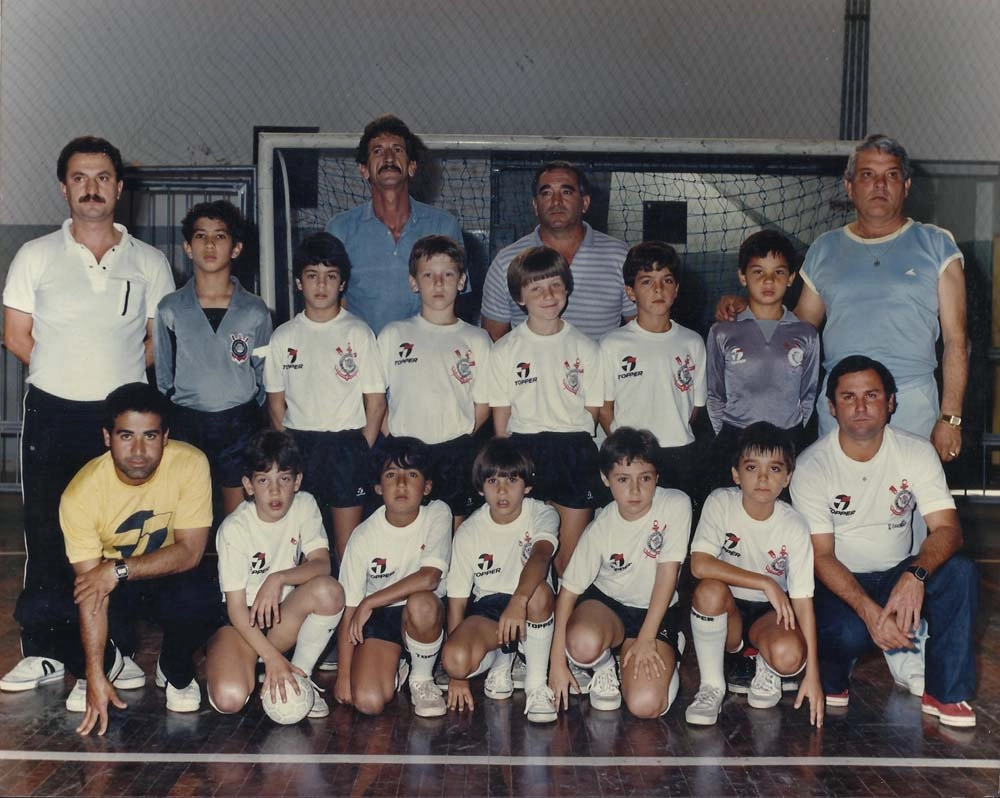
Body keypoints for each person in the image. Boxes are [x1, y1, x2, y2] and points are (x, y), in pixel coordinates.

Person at [1, 137, 175, 694]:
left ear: (120, 188)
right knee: (48, 532)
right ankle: (45, 651)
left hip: (119, 426)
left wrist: (113, 388)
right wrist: (67, 374)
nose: (91, 188)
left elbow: (156, 343)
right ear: (64, 187)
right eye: (80, 177)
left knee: (115, 538)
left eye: (102, 177)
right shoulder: (34, 255)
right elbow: (16, 335)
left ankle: (115, 651)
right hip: (51, 413)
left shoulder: (149, 261)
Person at [716, 135, 967, 465]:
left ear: (906, 185)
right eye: (867, 175)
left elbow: (956, 340)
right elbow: (798, 329)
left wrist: (950, 419)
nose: (879, 184)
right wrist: (747, 308)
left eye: (891, 175)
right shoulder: (825, 248)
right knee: (839, 507)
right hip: (840, 403)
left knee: (910, 511)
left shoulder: (937, 244)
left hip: (911, 402)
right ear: (849, 186)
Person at [789, 356, 978, 728]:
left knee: (960, 573)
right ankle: (840, 664)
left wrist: (915, 576)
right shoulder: (812, 466)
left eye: (872, 395)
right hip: (841, 586)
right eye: (848, 397)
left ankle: (945, 692)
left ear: (891, 402)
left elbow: (948, 530)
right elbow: (822, 556)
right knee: (846, 633)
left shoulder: (916, 451)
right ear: (832, 407)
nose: (861, 407)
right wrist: (868, 611)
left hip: (897, 574)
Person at [59, 383, 219, 736]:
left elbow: (191, 551)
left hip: (163, 574)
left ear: (165, 437)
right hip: (113, 590)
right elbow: (91, 594)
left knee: (202, 594)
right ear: (107, 437)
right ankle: (112, 662)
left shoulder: (190, 463)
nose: (138, 450)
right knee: (52, 605)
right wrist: (94, 674)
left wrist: (118, 569)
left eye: (150, 436)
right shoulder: (81, 494)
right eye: (126, 436)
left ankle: (175, 670)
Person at [685, 422, 822, 728]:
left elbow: (802, 601)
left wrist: (812, 673)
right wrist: (764, 581)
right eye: (751, 467)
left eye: (774, 469)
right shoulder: (721, 502)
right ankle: (711, 686)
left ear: (787, 477)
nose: (762, 478)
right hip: (727, 609)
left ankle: (766, 664)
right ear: (736, 474)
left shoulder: (794, 525)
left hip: (768, 615)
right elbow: (699, 564)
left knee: (789, 657)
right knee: (708, 590)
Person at [549, 427, 689, 719]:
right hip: (608, 606)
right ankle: (603, 667)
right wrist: (557, 663)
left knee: (645, 706)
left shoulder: (675, 504)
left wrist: (647, 637)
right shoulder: (600, 528)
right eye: (623, 480)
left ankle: (669, 652)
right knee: (581, 644)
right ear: (605, 479)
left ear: (657, 477)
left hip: (654, 611)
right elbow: (567, 594)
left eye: (645, 478)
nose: (635, 491)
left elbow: (667, 576)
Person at [206, 430, 344, 719]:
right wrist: (271, 657)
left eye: (284, 478)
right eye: (263, 480)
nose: (274, 491)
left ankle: (300, 675)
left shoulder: (305, 505)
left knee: (329, 590)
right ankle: (250, 664)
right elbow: (234, 607)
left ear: (297, 481)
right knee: (229, 699)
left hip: (283, 616)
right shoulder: (234, 529)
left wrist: (278, 577)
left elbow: (322, 564)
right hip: (241, 623)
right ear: (248, 485)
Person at [264, 232, 386, 559]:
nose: (321, 285)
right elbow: (276, 405)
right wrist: (288, 450)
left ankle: (349, 609)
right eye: (312, 276)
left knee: (347, 546)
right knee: (304, 544)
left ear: (342, 283)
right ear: (298, 282)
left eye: (330, 276)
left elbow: (375, 403)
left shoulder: (359, 333)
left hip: (347, 445)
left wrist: (363, 447)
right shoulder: (284, 336)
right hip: (301, 445)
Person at [487, 246, 604, 575]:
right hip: (526, 451)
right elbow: (501, 419)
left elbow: (593, 409)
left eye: (555, 285)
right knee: (530, 556)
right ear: (519, 297)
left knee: (569, 560)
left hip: (574, 450)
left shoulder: (586, 347)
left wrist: (571, 438)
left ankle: (565, 625)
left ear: (567, 288)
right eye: (535, 288)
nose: (548, 295)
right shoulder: (506, 349)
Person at [154, 200, 272, 517]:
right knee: (188, 516)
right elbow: (164, 376)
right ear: (187, 247)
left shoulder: (255, 311)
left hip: (239, 423)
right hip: (187, 422)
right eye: (200, 236)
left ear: (236, 248)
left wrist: (243, 408)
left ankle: (231, 568)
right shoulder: (170, 308)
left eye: (220, 236)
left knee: (237, 519)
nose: (209, 244)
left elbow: (264, 378)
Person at [378, 235, 492, 528]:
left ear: (462, 281)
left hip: (455, 452)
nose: (438, 283)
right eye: (428, 275)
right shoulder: (393, 334)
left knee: (452, 532)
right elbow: (377, 397)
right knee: (410, 531)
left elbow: (483, 402)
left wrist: (462, 433)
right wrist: (392, 435)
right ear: (414, 282)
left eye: (448, 274)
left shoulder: (477, 339)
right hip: (406, 454)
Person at [333, 437, 452, 718]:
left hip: (423, 614)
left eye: (411, 474)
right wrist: (344, 674)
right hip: (381, 618)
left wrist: (370, 601)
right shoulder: (363, 536)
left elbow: (429, 578)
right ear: (377, 487)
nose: (401, 484)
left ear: (427, 487)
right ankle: (398, 665)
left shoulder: (438, 514)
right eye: (390, 475)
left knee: (422, 603)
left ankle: (422, 679)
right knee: (367, 702)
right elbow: (350, 608)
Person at [442, 439, 559, 723]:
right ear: (481, 488)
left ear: (527, 486)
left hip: (531, 602)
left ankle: (535, 685)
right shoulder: (469, 531)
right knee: (455, 660)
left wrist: (518, 601)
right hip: (490, 608)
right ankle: (503, 658)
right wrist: (458, 676)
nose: (502, 491)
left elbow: (541, 557)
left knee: (539, 593)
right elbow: (457, 601)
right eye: (493, 481)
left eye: (512, 480)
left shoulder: (542, 513)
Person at [326, 114, 463, 335]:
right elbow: (333, 305)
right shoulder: (340, 229)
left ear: (412, 167)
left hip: (426, 356)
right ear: (364, 170)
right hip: (364, 360)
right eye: (378, 151)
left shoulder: (443, 226)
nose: (388, 157)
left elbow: (455, 302)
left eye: (397, 150)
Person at [706, 230, 819, 491]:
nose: (768, 281)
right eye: (758, 272)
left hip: (786, 437)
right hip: (735, 436)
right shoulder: (722, 331)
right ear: (742, 276)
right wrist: (725, 432)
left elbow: (808, 393)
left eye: (778, 272)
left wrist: (792, 428)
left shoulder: (806, 334)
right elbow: (715, 393)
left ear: (791, 278)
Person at [480, 160, 634, 341]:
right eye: (546, 193)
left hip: (598, 369)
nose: (556, 202)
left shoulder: (620, 256)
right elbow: (492, 342)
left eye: (566, 192)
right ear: (535, 206)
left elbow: (641, 333)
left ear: (584, 203)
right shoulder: (505, 262)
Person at [599, 241, 706, 497]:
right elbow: (604, 408)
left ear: (677, 288)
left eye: (667, 280)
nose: (658, 289)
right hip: (631, 458)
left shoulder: (692, 342)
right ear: (630, 291)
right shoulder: (613, 344)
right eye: (647, 281)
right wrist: (628, 448)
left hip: (680, 452)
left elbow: (695, 408)